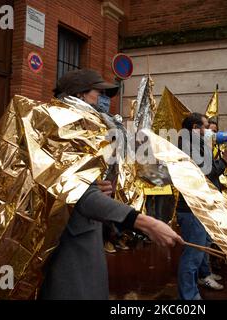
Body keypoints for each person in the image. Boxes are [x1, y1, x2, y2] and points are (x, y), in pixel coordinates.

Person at [39, 69, 183, 299]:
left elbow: (80, 184)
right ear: (82, 95)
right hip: (70, 247)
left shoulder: (83, 125)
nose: (104, 100)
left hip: (85, 234)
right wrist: (144, 223)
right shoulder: (63, 125)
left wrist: (100, 187)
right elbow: (77, 195)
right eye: (100, 93)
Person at [176, 112, 227, 300]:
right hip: (192, 209)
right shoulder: (188, 146)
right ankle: (189, 298)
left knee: (199, 252)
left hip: (200, 207)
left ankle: (198, 284)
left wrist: (224, 161)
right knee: (192, 257)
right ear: (195, 128)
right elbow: (206, 173)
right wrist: (224, 160)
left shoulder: (195, 144)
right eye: (205, 126)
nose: (209, 130)